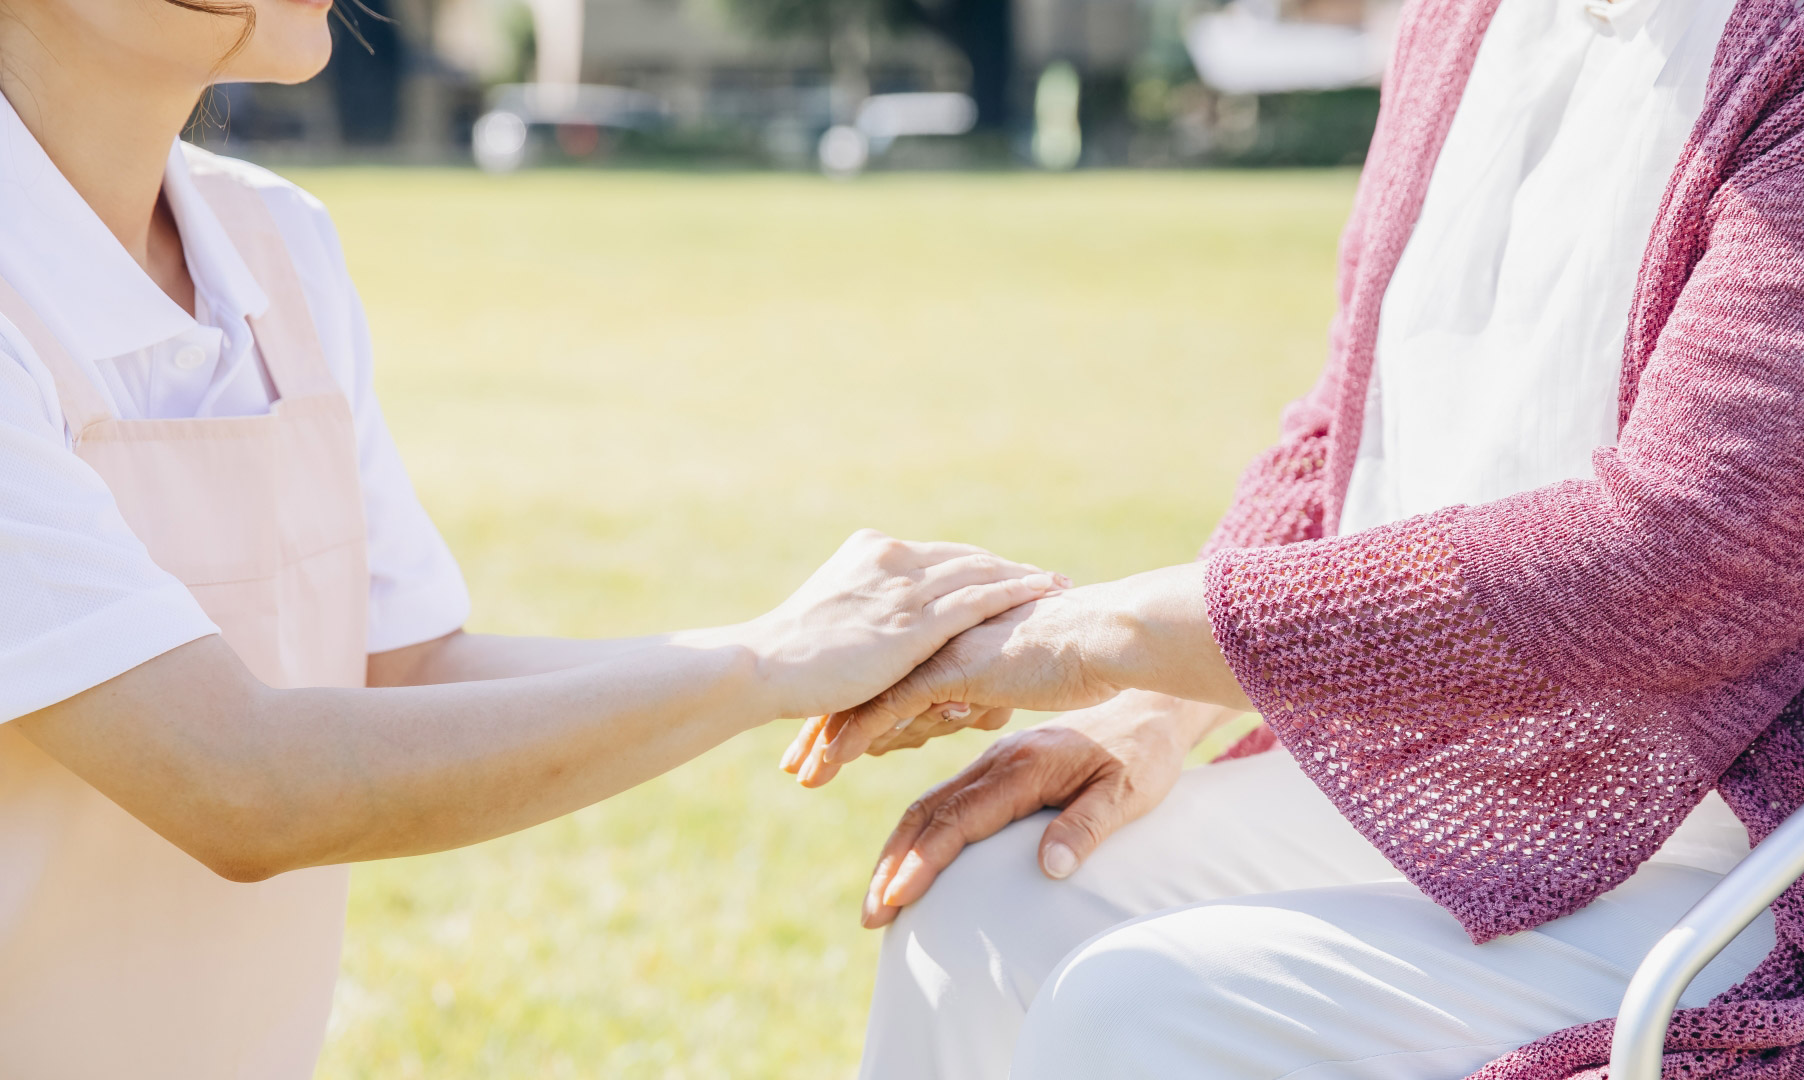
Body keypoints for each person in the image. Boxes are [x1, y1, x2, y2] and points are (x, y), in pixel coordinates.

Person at [787, 0, 1804, 1076]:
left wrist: (1102, 639)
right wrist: (1154, 711)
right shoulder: (1460, 20)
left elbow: (1677, 559)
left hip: (1777, 854)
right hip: (1447, 777)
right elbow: (1347, 425)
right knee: (984, 906)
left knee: (1144, 1013)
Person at [0, 3, 1068, 1077]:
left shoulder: (274, 243)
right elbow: (235, 781)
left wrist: (801, 656)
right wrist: (760, 666)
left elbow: (404, 670)